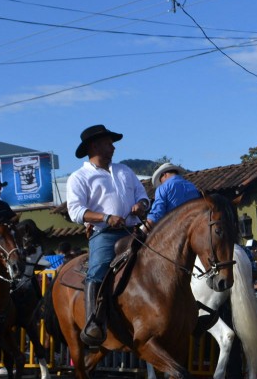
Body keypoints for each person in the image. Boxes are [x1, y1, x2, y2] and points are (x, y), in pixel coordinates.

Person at [66, 124, 150, 347]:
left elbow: (143, 195)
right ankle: (94, 321)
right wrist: (105, 218)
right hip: (105, 234)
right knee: (99, 269)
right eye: (108, 142)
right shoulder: (79, 177)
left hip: (133, 230)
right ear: (94, 146)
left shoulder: (124, 170)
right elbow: (75, 211)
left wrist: (141, 205)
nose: (113, 147)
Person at [147, 162, 200, 227]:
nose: (162, 183)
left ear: (164, 175)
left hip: (174, 230)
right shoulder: (192, 186)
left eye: (161, 180)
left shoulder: (163, 188)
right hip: (194, 228)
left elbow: (156, 214)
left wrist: (144, 229)